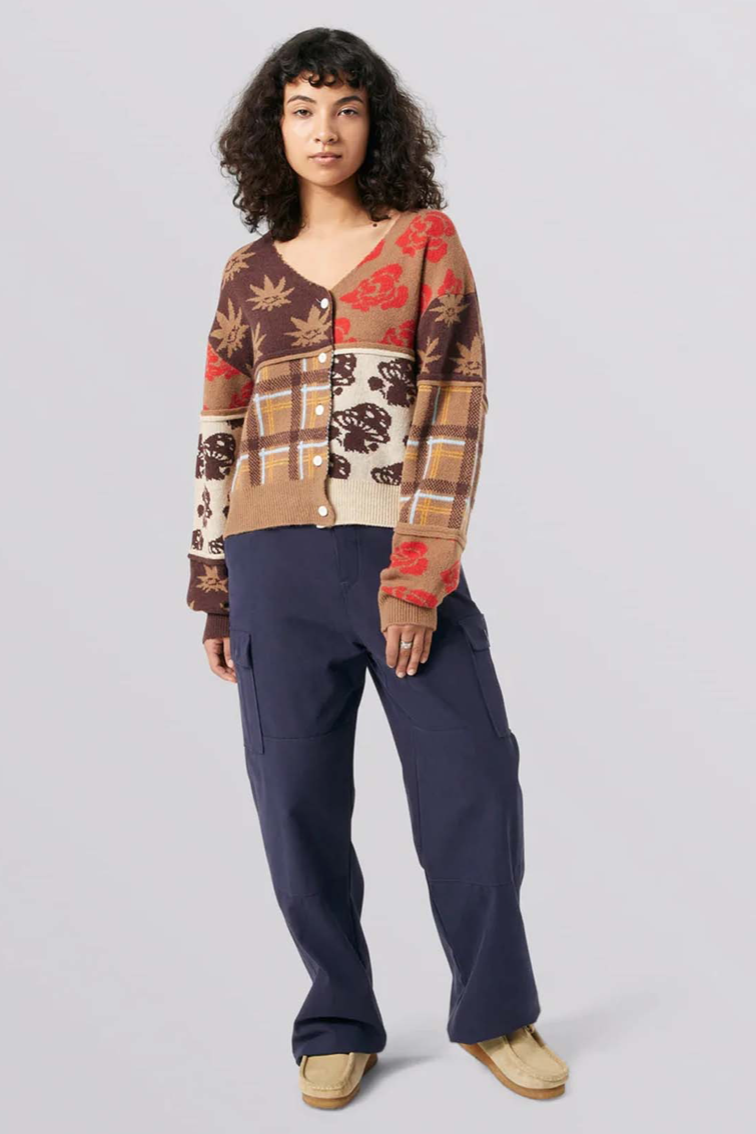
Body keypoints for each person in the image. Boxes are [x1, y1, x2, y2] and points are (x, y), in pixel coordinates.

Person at [186, 27, 570, 1108]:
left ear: (377, 124)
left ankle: (496, 1013)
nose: (325, 130)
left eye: (347, 108)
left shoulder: (424, 243)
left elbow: (454, 409)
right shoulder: (247, 273)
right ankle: (337, 1018)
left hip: (396, 560)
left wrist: (418, 575)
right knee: (295, 804)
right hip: (269, 570)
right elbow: (218, 430)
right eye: (303, 109)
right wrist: (213, 588)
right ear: (274, 128)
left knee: (472, 781)